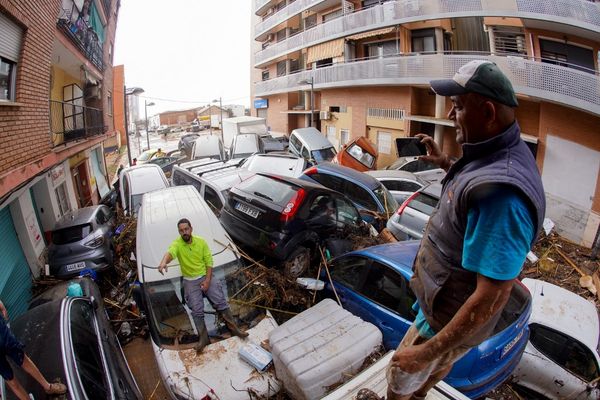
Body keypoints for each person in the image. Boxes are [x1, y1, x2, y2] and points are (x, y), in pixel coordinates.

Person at [360, 60, 546, 400]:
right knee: (432, 369)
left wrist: (425, 353)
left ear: (488, 112)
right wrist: (446, 162)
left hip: (446, 315)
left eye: (458, 107)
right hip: (442, 302)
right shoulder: (500, 151)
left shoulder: (503, 197)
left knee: (401, 373)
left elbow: (493, 296)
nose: (450, 114)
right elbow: (477, 178)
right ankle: (419, 392)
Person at [158, 218, 248, 352]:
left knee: (221, 302)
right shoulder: (177, 244)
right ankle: (204, 338)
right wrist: (164, 262)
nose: (184, 232)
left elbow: (209, 262)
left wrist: (207, 281)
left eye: (186, 229)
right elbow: (170, 253)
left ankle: (234, 329)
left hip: (206, 275)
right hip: (189, 281)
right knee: (196, 311)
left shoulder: (201, 242)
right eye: (181, 231)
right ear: (179, 232)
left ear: (191, 229)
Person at [0, 300, 67, 399]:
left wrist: (1, 305)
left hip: (4, 336)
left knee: (24, 360)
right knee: (11, 381)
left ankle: (48, 387)